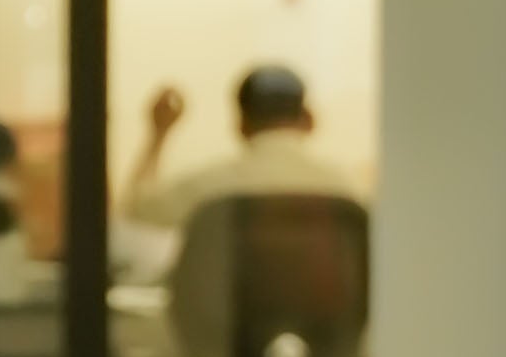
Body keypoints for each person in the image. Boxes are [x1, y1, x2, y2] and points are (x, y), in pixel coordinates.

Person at [115, 61, 367, 266]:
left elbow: (137, 209)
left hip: (228, 325)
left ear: (241, 125)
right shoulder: (347, 188)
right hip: (327, 325)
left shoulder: (210, 186)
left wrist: (158, 134)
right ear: (309, 119)